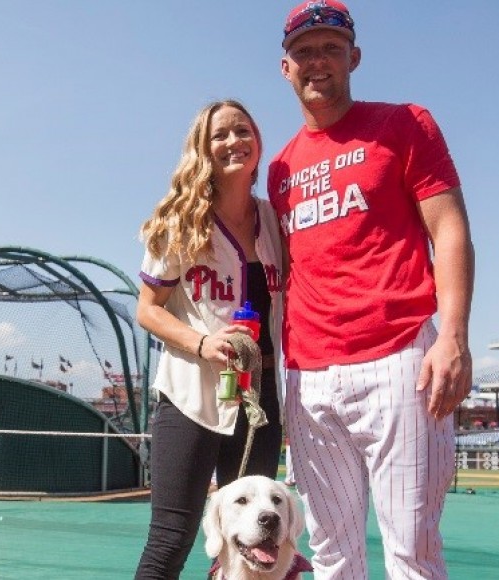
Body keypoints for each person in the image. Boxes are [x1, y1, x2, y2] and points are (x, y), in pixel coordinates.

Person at [267, 2, 475, 578]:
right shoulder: (280, 165)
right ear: (285, 67)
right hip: (308, 374)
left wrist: (453, 335)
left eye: (331, 48)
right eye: (304, 51)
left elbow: (450, 228)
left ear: (353, 57)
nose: (317, 61)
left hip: (400, 357)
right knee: (332, 552)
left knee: (411, 549)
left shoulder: (403, 122)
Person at [133, 100, 286, 580]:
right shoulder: (182, 222)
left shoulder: (278, 219)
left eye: (243, 130)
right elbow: (147, 309)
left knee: (255, 544)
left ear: (258, 142)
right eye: (219, 135)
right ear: (202, 150)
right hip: (191, 396)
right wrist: (202, 343)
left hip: (259, 401)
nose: (233, 141)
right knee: (172, 538)